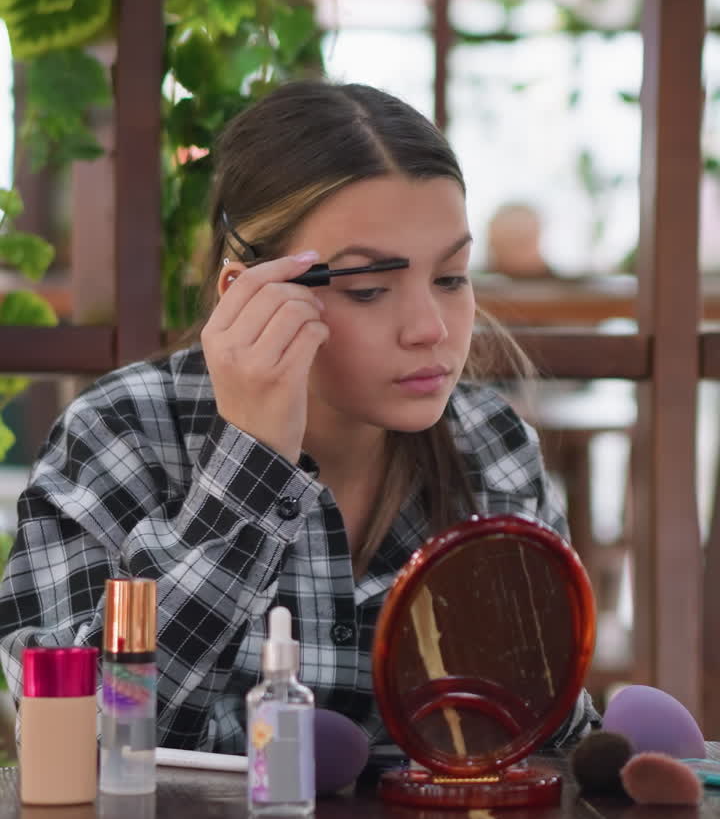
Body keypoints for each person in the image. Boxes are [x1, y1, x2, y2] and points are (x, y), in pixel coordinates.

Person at [0, 81, 597, 755]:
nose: (431, 329)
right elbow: (80, 735)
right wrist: (250, 463)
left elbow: (543, 732)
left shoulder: (490, 443)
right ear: (248, 292)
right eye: (368, 289)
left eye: (452, 278)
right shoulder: (122, 433)